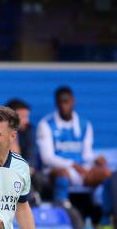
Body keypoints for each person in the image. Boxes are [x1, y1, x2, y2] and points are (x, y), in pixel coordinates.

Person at [37, 86, 111, 215]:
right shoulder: (46, 124)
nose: (63, 106)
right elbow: (47, 158)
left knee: (107, 174)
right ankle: (61, 213)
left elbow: (87, 154)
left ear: (73, 102)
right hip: (58, 169)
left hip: (81, 169)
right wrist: (71, 164)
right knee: (63, 174)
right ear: (56, 104)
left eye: (66, 102)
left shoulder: (85, 125)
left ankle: (104, 216)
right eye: (60, 102)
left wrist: (95, 159)